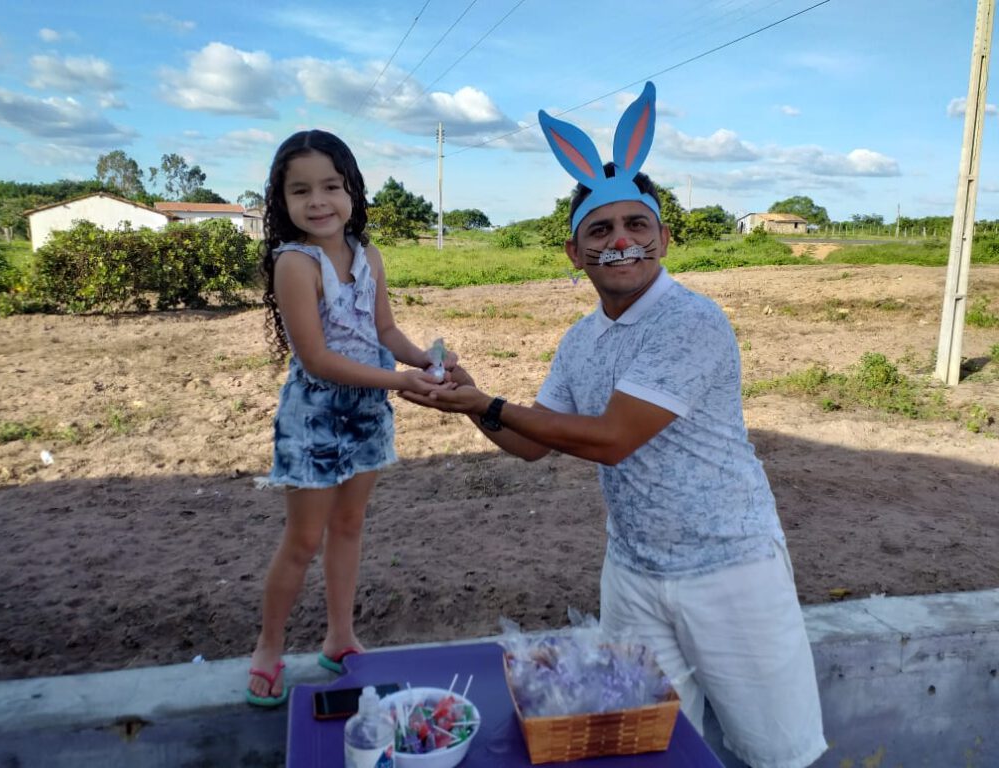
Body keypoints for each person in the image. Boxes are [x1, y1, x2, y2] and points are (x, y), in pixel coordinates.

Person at [401, 83, 827, 768]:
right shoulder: (581, 340)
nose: (620, 241)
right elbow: (535, 444)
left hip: (730, 567)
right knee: (644, 749)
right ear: (575, 253)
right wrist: (474, 401)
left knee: (777, 753)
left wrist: (488, 405)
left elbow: (613, 438)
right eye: (600, 230)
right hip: (632, 573)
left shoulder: (690, 321)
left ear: (663, 237)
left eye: (636, 225)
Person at [246, 129, 456, 707]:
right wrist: (401, 380)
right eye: (301, 190)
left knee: (349, 526)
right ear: (281, 202)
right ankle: (268, 649)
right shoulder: (295, 263)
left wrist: (429, 361)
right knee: (303, 538)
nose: (318, 202)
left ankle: (340, 636)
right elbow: (315, 357)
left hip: (368, 411)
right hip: (315, 416)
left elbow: (384, 331)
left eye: (331, 187)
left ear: (352, 190)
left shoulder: (369, 256)